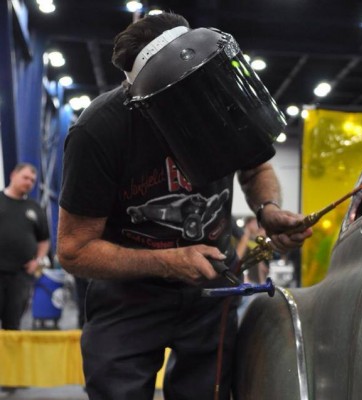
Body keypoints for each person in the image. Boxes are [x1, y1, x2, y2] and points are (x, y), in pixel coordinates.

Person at [57, 12, 311, 400]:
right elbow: (74, 250)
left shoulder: (216, 96)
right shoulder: (98, 131)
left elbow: (256, 165)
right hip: (129, 297)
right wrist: (168, 262)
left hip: (211, 289)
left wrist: (268, 210)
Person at [0, 163, 50, 330]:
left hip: (21, 276)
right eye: (25, 177)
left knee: (13, 324)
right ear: (13, 175)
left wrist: (39, 261)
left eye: (32, 180)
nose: (29, 182)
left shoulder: (34, 208)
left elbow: (44, 240)